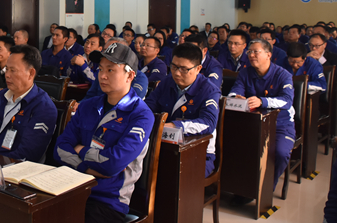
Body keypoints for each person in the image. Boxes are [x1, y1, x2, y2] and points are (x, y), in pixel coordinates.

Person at [54, 42, 154, 223]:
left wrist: (80, 150)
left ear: (130, 75)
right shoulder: (87, 106)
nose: (102, 75)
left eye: (110, 70)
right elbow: (60, 149)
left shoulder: (141, 115)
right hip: (71, 188)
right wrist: (86, 167)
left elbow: (112, 164)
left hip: (107, 201)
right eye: (100, 69)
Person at [228, 39, 295, 192]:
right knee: (238, 149)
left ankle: (266, 188)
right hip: (252, 123)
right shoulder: (245, 72)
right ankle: (243, 188)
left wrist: (262, 101)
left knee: (281, 153)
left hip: (280, 124)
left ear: (268, 54)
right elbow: (235, 90)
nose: (251, 55)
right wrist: (236, 97)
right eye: (249, 52)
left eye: (255, 52)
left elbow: (287, 101)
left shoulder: (283, 75)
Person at [145, 43, 220, 177]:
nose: (177, 73)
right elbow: (148, 107)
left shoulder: (209, 90)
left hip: (198, 153)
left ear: (198, 69)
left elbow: (208, 123)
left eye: (184, 69)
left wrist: (173, 126)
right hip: (163, 145)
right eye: (174, 67)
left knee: (177, 176)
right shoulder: (167, 82)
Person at [0, 45, 58, 162]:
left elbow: (29, 153)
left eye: (13, 70)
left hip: (14, 167)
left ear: (31, 73)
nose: (7, 75)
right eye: (7, 69)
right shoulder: (1, 96)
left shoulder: (44, 107)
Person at [84, 38, 148, 101]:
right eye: (105, 50)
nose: (102, 76)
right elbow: (89, 97)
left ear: (129, 76)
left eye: (110, 70)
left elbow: (131, 101)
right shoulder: (102, 73)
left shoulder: (140, 78)